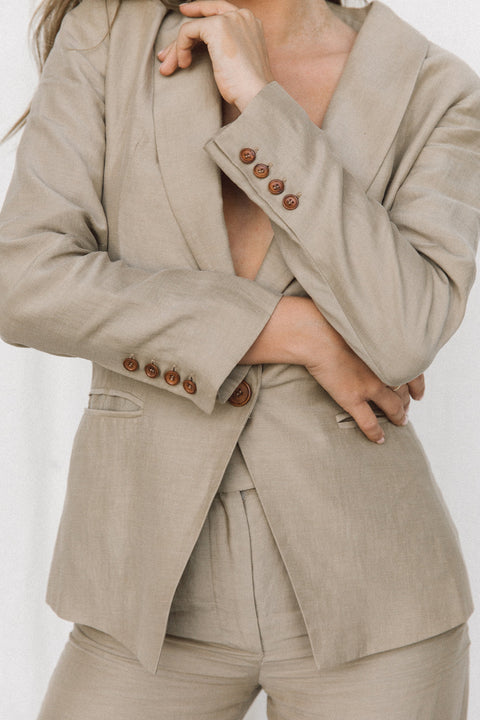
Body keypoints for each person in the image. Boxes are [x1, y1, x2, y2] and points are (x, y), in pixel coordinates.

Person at [0, 0, 478, 717]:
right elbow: (25, 282)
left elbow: (406, 332)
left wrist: (263, 103)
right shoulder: (108, 35)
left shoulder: (435, 88)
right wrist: (293, 331)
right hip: (144, 590)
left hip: (377, 603)